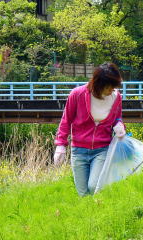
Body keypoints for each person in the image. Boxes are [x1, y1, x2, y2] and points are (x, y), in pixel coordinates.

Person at [53, 62, 126, 196]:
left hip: (102, 150)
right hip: (78, 151)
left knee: (94, 187)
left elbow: (117, 117)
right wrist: (60, 145)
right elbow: (66, 120)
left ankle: (102, 212)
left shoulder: (116, 97)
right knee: (83, 193)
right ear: (99, 84)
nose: (112, 90)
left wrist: (119, 125)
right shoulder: (77, 94)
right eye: (109, 87)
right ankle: (89, 214)